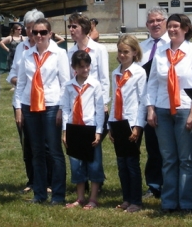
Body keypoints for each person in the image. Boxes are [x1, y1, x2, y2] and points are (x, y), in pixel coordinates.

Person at [146, 14, 192, 214]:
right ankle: (169, 202)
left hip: (186, 110)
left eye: (176, 26)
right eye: (170, 26)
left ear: (186, 29)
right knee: (168, 158)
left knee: (186, 158)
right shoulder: (161, 53)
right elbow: (153, 83)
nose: (172, 30)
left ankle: (187, 203)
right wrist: (151, 108)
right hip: (163, 110)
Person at [14, 18, 71, 205]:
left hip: (51, 105)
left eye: (43, 32)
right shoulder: (27, 55)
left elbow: (65, 83)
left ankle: (58, 195)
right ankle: (39, 194)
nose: (38, 36)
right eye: (35, 32)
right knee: (36, 151)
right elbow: (21, 83)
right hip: (30, 106)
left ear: (50, 34)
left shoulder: (59, 54)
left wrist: (62, 109)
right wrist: (18, 108)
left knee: (54, 151)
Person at [7, 9, 48, 193]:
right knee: (28, 144)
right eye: (29, 28)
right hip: (24, 100)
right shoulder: (21, 49)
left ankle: (48, 181)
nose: (32, 33)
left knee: (47, 144)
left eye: (35, 29)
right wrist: (24, 81)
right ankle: (31, 180)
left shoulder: (49, 47)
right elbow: (13, 76)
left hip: (46, 102)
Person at [61, 50, 106, 209]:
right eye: (81, 67)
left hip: (90, 128)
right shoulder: (68, 86)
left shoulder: (95, 85)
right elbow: (66, 108)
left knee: (94, 164)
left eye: (87, 66)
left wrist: (99, 131)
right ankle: (80, 197)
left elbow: (99, 110)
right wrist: (65, 131)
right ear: (74, 67)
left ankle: (93, 198)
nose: (85, 69)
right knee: (76, 165)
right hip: (74, 128)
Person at [109, 34, 147, 213]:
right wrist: (110, 125)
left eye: (126, 52)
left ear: (134, 52)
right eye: (120, 51)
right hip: (117, 121)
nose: (122, 55)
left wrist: (138, 126)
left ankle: (136, 201)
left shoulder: (139, 72)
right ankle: (126, 197)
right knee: (121, 163)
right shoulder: (115, 73)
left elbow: (142, 100)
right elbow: (114, 100)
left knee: (132, 163)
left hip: (132, 122)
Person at [140, 7, 169, 199]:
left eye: (159, 20)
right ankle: (154, 185)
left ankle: (169, 184)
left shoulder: (172, 45)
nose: (155, 24)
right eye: (151, 21)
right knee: (152, 147)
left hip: (167, 102)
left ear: (165, 22)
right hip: (147, 102)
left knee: (167, 148)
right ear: (146, 25)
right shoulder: (141, 47)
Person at [67, 13, 110, 107]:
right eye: (69, 26)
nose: (71, 30)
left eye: (74, 26)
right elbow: (70, 78)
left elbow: (104, 78)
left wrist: (104, 102)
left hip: (94, 99)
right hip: (76, 100)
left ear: (84, 27)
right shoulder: (70, 52)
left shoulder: (99, 49)